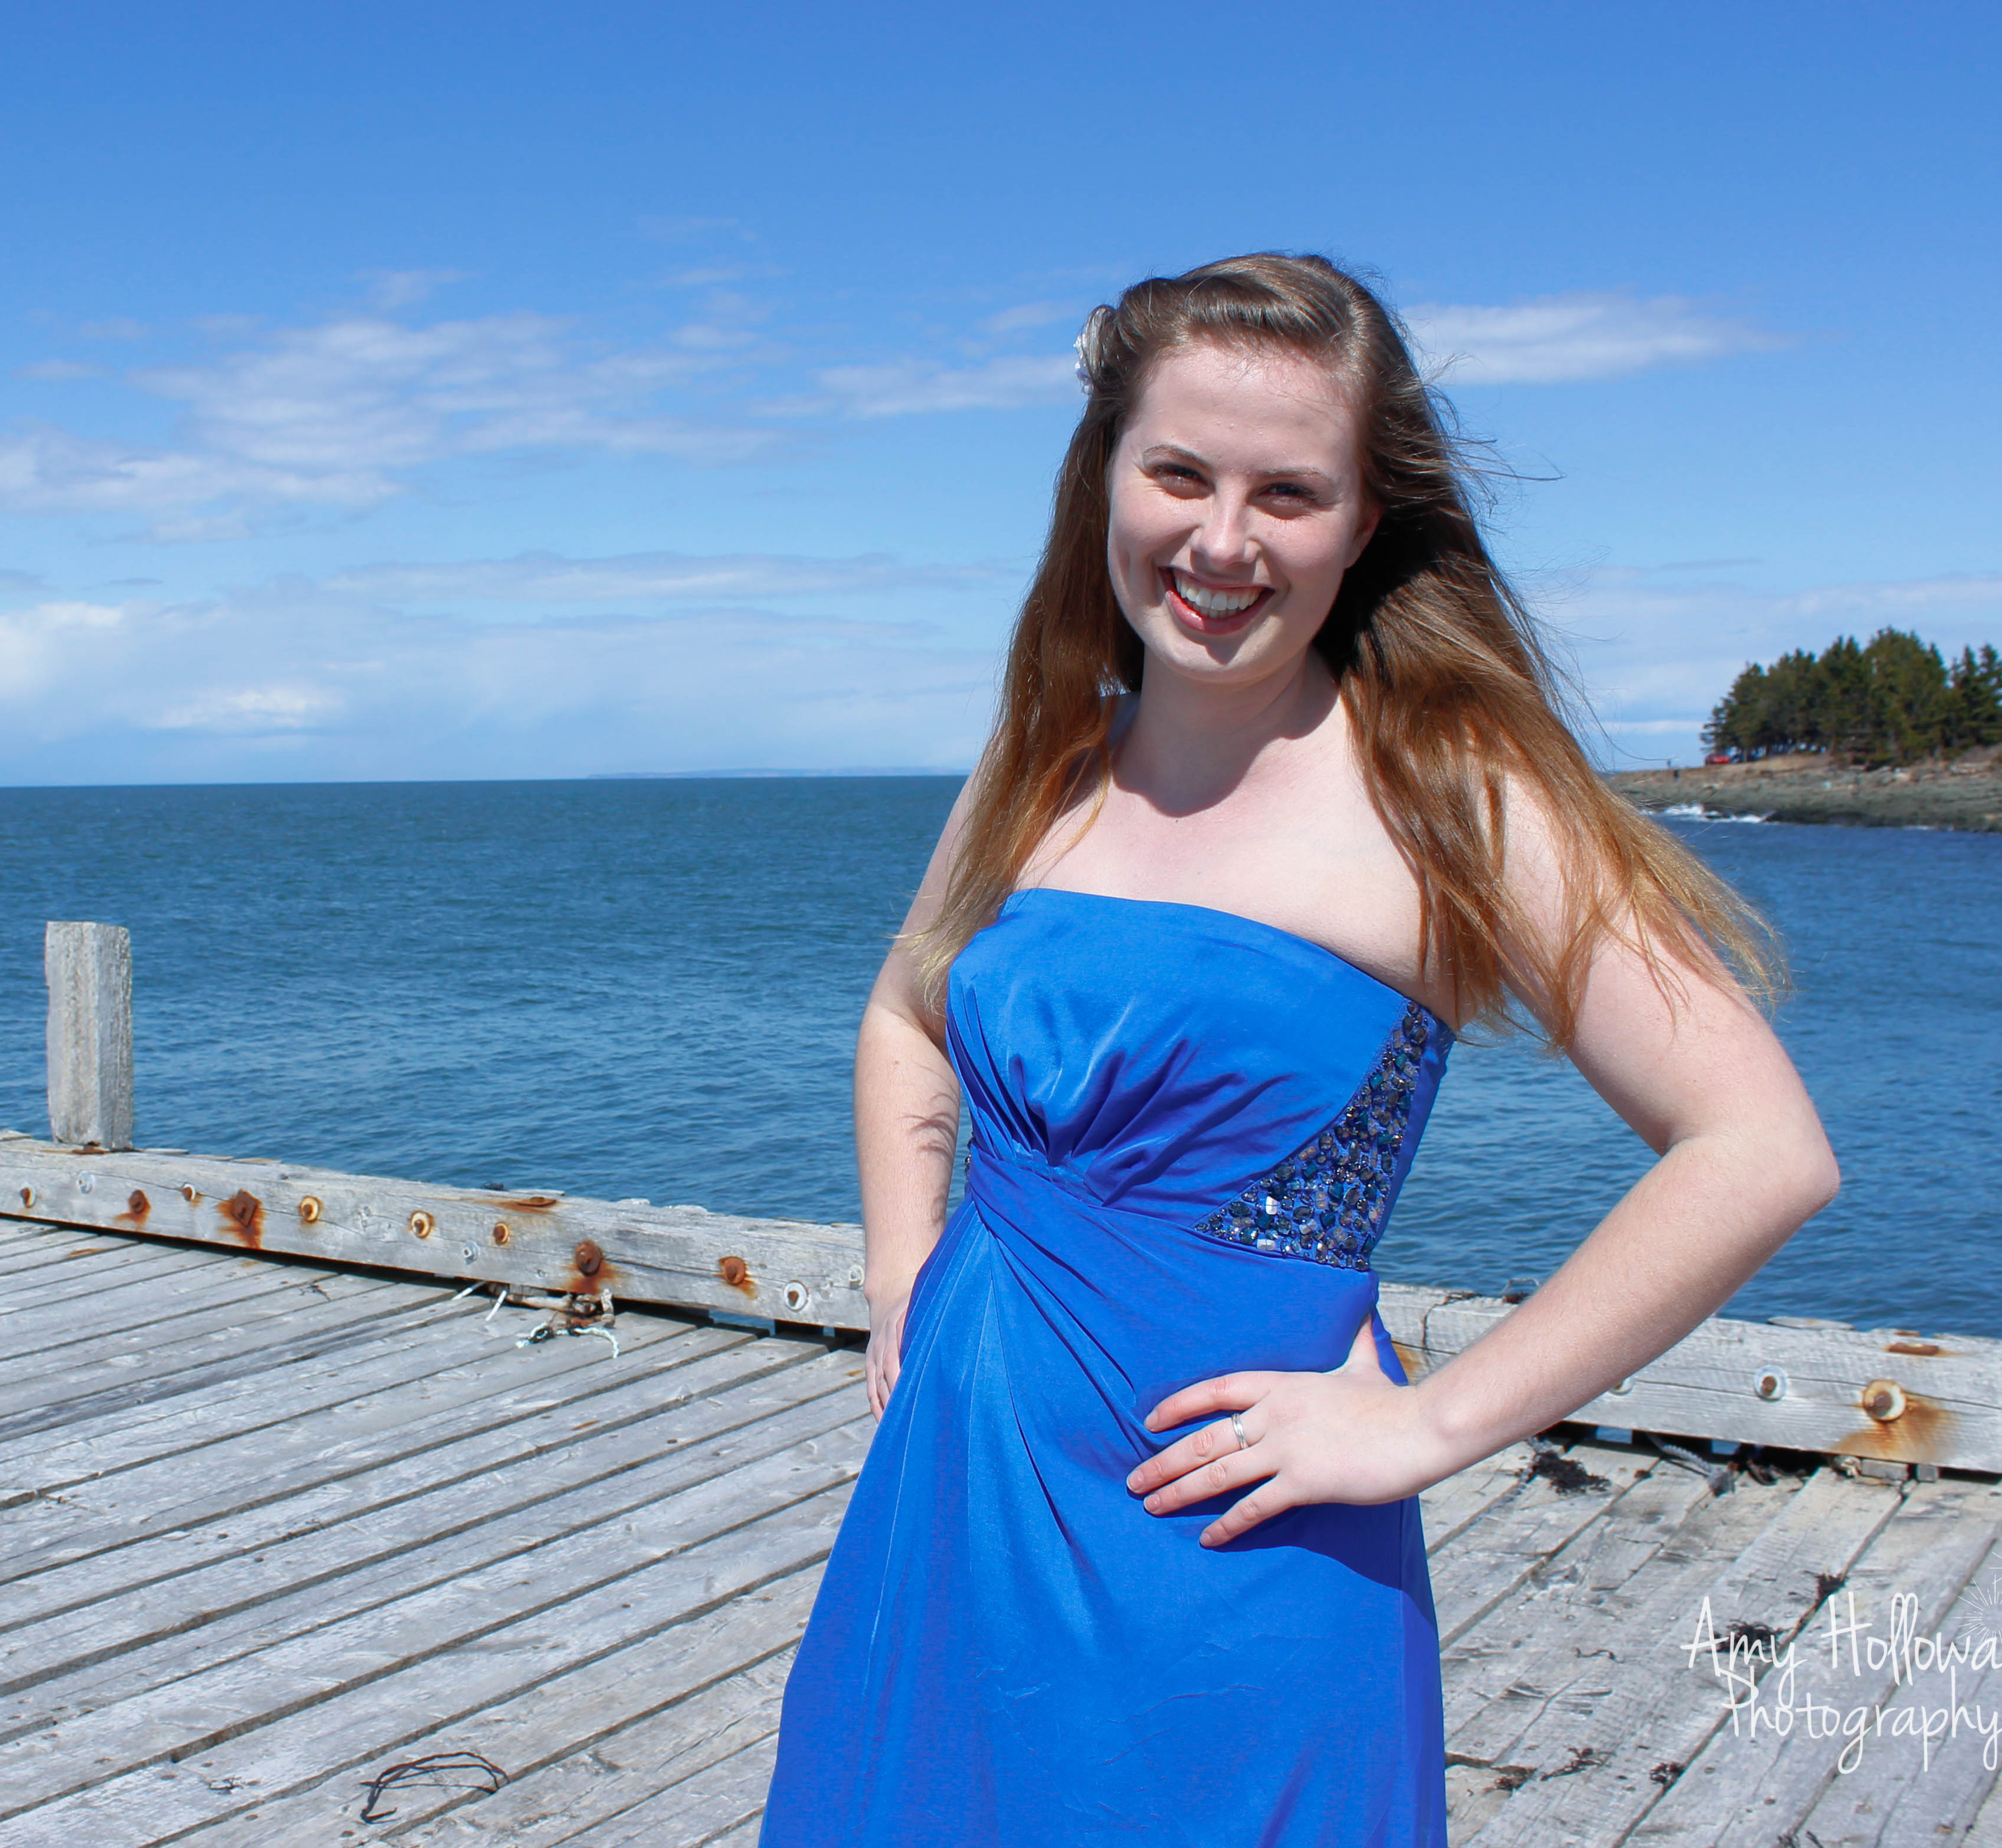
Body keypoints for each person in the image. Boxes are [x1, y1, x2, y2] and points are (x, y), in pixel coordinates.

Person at [757, 253, 1837, 1846]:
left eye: (1286, 492)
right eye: (1178, 474)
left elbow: (1757, 1148)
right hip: (952, 1499)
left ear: (1363, 518)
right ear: (1102, 475)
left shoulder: (1449, 797)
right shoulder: (1044, 758)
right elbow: (906, 1015)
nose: (1220, 540)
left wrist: (1429, 1424)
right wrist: (903, 1270)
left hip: (1231, 1538)